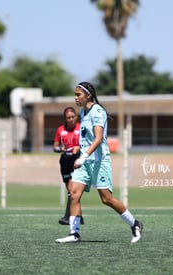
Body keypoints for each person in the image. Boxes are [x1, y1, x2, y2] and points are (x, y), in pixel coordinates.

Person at [56, 81, 143, 243]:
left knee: (106, 199)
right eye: (75, 95)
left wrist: (83, 156)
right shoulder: (82, 113)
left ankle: (135, 224)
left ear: (88, 95)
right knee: (74, 194)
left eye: (78, 95)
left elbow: (98, 139)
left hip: (98, 161)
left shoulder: (98, 112)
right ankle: (74, 234)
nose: (75, 98)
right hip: (85, 162)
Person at [53, 107, 84, 225]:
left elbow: (88, 143)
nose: (71, 119)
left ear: (76, 117)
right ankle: (78, 217)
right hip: (65, 161)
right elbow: (55, 147)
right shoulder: (60, 130)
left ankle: (68, 217)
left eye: (73, 117)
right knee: (71, 190)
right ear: (65, 119)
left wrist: (79, 148)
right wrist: (60, 149)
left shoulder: (81, 128)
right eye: (68, 118)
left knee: (73, 190)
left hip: (78, 160)